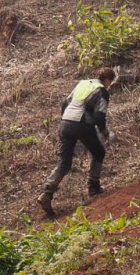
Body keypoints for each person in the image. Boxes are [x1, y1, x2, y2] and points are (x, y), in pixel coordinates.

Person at [37, 67, 118, 218]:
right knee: (99, 152)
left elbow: (65, 103)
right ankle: (93, 187)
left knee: (64, 162)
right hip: (82, 124)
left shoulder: (83, 83)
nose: (110, 85)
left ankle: (47, 193)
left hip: (65, 123)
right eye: (111, 82)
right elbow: (100, 115)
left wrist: (66, 121)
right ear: (108, 80)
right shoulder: (102, 91)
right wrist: (104, 133)